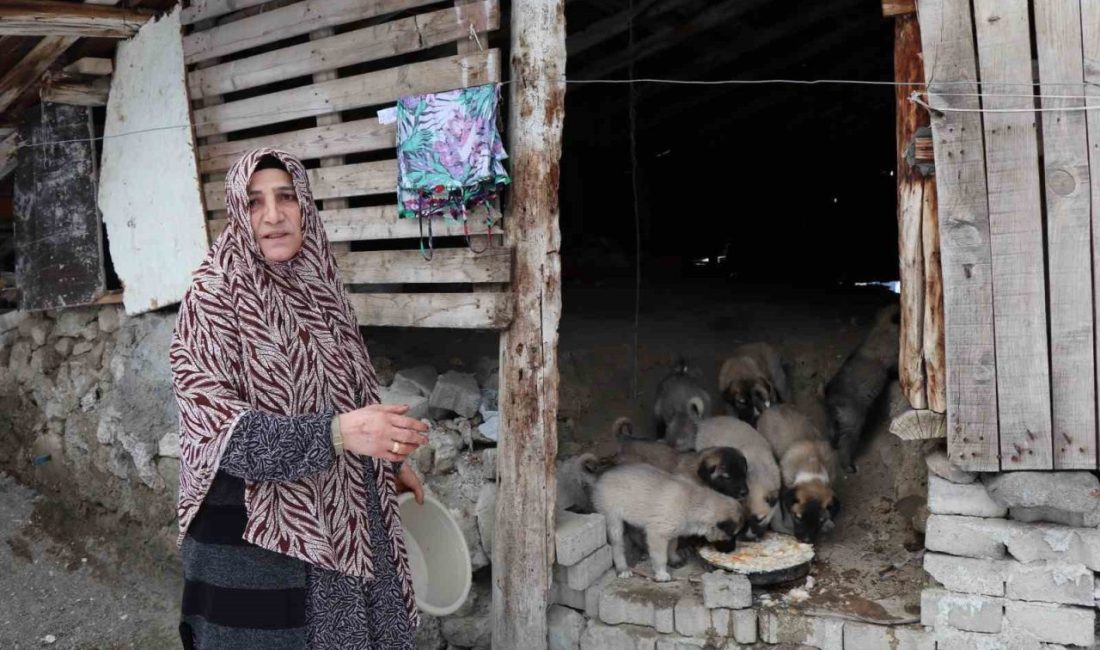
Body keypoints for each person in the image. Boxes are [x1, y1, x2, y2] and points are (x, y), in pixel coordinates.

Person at [170, 149, 429, 649]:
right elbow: (225, 438)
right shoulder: (212, 298)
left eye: (286, 197)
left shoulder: (319, 282)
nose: (273, 215)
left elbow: (348, 390)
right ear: (236, 211)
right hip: (260, 537)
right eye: (254, 202)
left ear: (305, 205)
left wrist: (387, 463)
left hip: (345, 513)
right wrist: (339, 433)